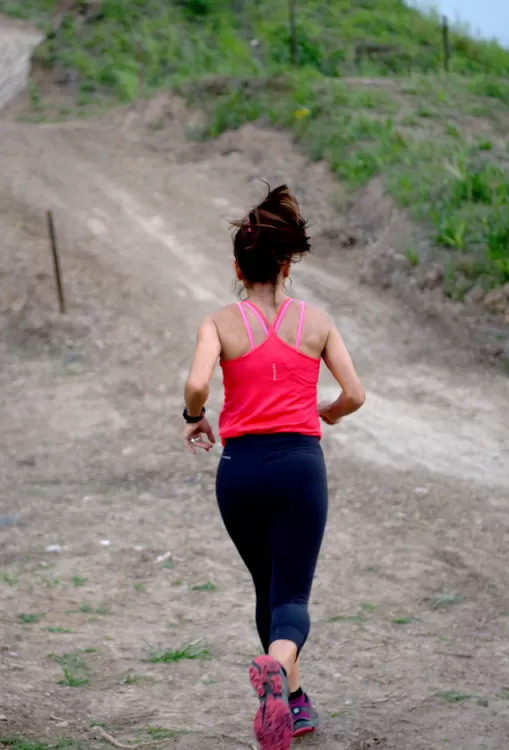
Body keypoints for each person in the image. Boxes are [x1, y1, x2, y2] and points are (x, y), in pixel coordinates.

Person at [181, 185, 366, 750]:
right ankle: (277, 666)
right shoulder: (317, 322)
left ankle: (294, 702)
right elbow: (355, 394)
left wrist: (195, 416)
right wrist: (329, 412)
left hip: (237, 472)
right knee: (292, 599)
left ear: (239, 268)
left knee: (268, 586)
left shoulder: (218, 323)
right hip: (297, 468)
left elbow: (197, 383)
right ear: (287, 265)